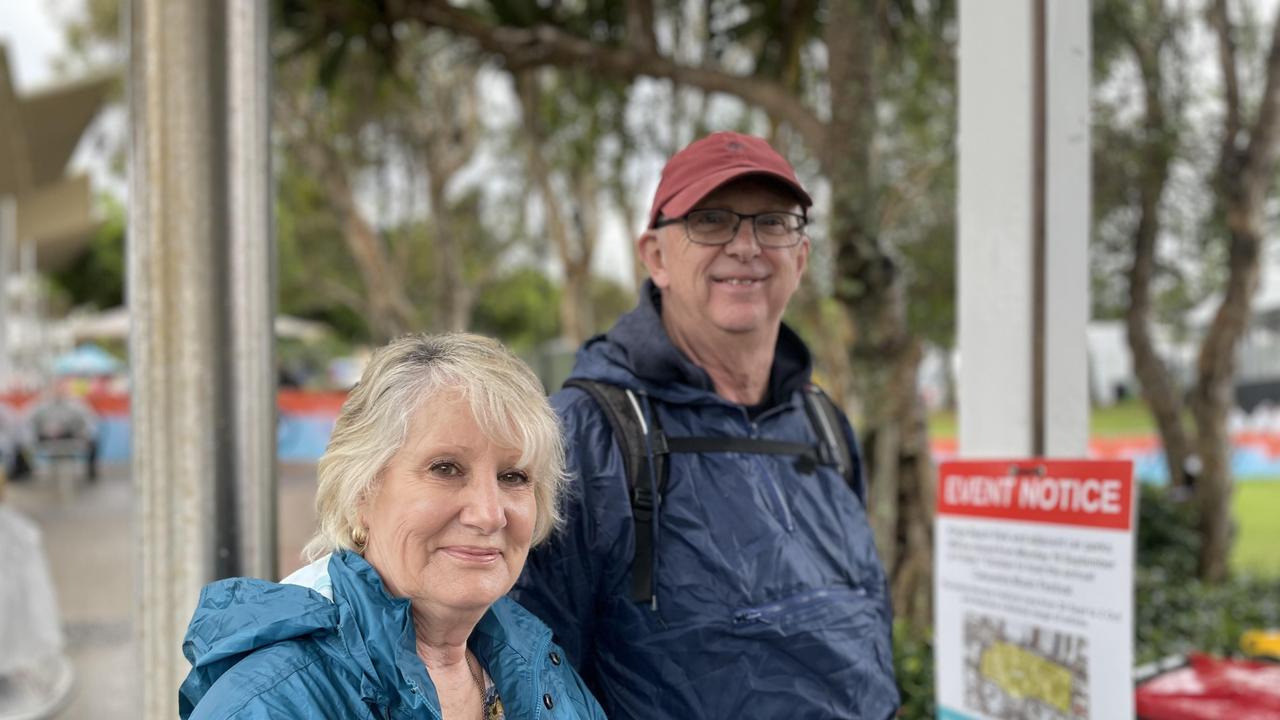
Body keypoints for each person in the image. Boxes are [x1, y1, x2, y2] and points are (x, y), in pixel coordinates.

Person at [511, 132, 900, 718]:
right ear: (656, 256)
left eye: (773, 222)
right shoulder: (581, 436)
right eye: (712, 220)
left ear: (800, 257)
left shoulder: (824, 423)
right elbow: (526, 672)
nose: (746, 246)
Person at [179, 333, 606, 720]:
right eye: (446, 468)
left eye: (513, 477)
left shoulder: (537, 664)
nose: (489, 514)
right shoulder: (270, 702)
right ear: (361, 491)